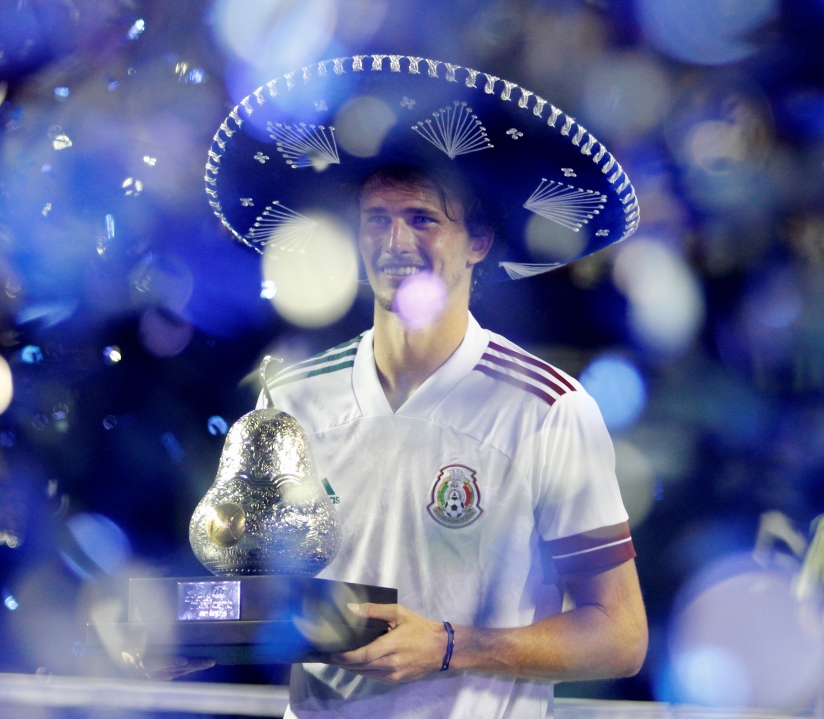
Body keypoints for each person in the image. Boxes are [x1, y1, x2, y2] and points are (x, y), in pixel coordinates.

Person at [202, 54, 647, 717]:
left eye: (422, 218)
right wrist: (179, 627)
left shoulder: (548, 409)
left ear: (479, 241)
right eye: (376, 219)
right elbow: (256, 601)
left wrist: (447, 645)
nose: (394, 241)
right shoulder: (290, 398)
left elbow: (619, 634)